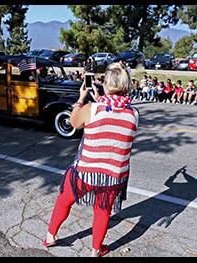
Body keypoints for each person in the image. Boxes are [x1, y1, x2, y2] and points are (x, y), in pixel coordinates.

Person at [43, 62, 139, 257]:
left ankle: (51, 236)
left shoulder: (92, 108)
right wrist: (100, 101)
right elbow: (113, 118)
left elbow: (74, 123)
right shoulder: (134, 114)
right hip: (113, 176)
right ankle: (96, 250)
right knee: (102, 211)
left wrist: (81, 99)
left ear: (106, 84)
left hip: (85, 172)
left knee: (64, 200)